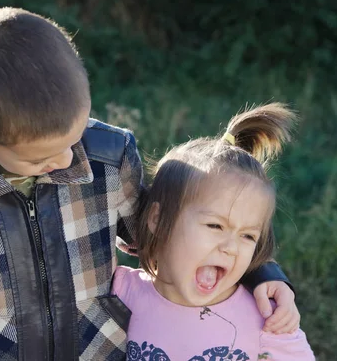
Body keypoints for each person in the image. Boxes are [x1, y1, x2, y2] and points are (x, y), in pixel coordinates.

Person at [0, 8, 299, 360]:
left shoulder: (108, 154)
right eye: (40, 157)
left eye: (74, 137)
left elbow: (177, 230)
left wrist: (262, 273)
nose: (67, 160)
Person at [113, 103, 315, 360]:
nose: (230, 247)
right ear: (158, 218)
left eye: (248, 236)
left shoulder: (267, 319)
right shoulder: (119, 293)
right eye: (215, 226)